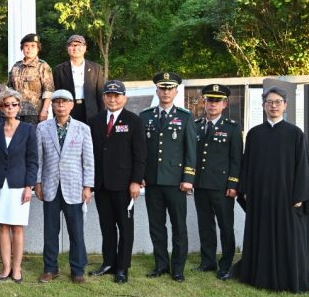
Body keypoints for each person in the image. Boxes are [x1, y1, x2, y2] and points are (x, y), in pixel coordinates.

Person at [235, 86, 309, 293]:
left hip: (287, 197)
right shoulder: (255, 134)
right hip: (260, 197)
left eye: (277, 102)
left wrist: (299, 195)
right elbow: (247, 165)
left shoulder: (295, 134)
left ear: (285, 105)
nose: (273, 106)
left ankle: (288, 280)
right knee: (261, 235)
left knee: (288, 238)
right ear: (263, 106)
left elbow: (302, 166)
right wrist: (245, 190)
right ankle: (259, 277)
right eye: (269, 102)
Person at [140, 72, 197, 282]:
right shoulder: (145, 116)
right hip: (153, 181)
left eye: (169, 88)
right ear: (157, 91)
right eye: (162, 88)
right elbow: (142, 151)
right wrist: (140, 176)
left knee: (179, 227)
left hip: (176, 182)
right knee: (156, 226)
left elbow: (191, 150)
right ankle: (161, 265)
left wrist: (188, 178)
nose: (165, 92)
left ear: (175, 91)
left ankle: (178, 268)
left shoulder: (185, 117)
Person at [88, 80, 146, 284]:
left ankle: (122, 267)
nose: (112, 99)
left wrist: (136, 181)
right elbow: (90, 153)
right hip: (101, 184)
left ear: (125, 98)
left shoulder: (134, 121)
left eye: (117, 96)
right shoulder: (94, 121)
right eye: (109, 95)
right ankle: (108, 263)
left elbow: (140, 155)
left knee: (125, 227)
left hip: (124, 185)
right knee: (107, 226)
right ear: (103, 98)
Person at [36, 89, 95, 283]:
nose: (60, 105)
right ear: (51, 105)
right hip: (50, 186)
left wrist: (88, 186)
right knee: (50, 231)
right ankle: (50, 268)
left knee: (76, 230)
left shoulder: (82, 129)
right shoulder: (42, 128)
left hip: (74, 187)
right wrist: (38, 183)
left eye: (65, 102)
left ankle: (77, 269)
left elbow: (88, 160)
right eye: (57, 102)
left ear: (71, 105)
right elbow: (39, 159)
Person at [0, 88, 38, 282]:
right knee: (2, 226)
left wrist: (29, 186)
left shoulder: (28, 129)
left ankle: (17, 269)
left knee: (17, 228)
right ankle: (6, 268)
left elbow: (33, 160)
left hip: (19, 185)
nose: (10, 108)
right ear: (0, 108)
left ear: (19, 107)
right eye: (6, 105)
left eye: (13, 104)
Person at [193, 84, 243, 280]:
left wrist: (233, 184)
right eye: (209, 100)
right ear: (204, 103)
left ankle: (226, 264)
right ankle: (208, 261)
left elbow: (237, 158)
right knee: (205, 225)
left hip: (222, 187)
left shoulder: (232, 127)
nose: (212, 104)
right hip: (201, 185)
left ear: (224, 104)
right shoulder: (196, 125)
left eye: (217, 101)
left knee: (225, 226)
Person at [52, 34, 105, 124]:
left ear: (85, 48)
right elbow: (56, 94)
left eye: (79, 45)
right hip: (68, 110)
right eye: (72, 45)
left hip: (90, 111)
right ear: (67, 49)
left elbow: (100, 95)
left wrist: (102, 115)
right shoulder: (60, 69)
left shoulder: (96, 68)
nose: (75, 48)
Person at [8, 33, 54, 125]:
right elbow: (9, 89)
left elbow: (48, 91)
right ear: (22, 48)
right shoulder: (16, 67)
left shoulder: (43, 66)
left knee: (33, 138)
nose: (29, 49)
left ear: (38, 48)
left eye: (33, 46)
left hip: (35, 113)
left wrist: (45, 110)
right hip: (16, 112)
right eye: (26, 46)